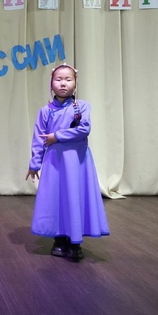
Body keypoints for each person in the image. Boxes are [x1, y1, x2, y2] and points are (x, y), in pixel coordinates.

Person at [26, 63, 109, 260]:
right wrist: (35, 163)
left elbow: (84, 129)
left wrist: (57, 136)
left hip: (77, 162)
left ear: (75, 84)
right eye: (58, 79)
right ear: (51, 84)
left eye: (68, 79)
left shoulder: (82, 107)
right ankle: (59, 238)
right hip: (55, 162)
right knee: (57, 198)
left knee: (75, 196)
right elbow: (39, 138)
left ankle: (75, 241)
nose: (63, 83)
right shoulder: (45, 111)